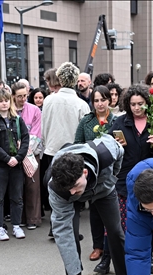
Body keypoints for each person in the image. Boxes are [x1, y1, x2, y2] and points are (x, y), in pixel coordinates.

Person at [47, 136, 130, 275]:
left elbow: (120, 151)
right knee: (71, 239)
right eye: (68, 189)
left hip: (103, 190)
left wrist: (112, 176)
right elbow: (64, 235)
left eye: (75, 186)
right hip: (70, 201)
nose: (72, 192)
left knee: (115, 232)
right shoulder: (58, 188)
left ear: (84, 172)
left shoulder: (106, 152)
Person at [113, 84, 153, 275]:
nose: (136, 108)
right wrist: (117, 145)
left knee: (149, 221)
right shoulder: (121, 123)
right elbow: (109, 146)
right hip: (125, 180)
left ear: (147, 104)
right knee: (128, 224)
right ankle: (132, 264)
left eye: (140, 104)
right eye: (133, 104)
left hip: (150, 181)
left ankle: (151, 258)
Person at [41, 63, 91, 219]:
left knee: (55, 190)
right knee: (73, 190)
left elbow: (43, 126)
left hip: (52, 149)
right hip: (74, 153)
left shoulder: (48, 100)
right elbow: (86, 132)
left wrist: (45, 143)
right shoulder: (81, 104)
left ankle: (55, 224)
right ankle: (71, 225)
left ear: (60, 80)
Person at [74, 86, 115, 267]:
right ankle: (98, 246)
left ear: (109, 100)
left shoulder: (116, 120)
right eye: (96, 100)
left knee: (112, 212)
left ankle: (112, 247)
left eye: (103, 100)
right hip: (91, 170)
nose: (100, 104)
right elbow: (77, 144)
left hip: (112, 170)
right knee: (95, 210)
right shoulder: (86, 121)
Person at [0, 88, 30, 241]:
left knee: (17, 197)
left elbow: (25, 139)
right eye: (0, 101)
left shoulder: (17, 119)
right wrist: (6, 158)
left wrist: (18, 157)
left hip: (16, 164)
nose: (3, 104)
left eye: (6, 100)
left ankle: (16, 226)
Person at [12, 81, 43, 230]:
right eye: (19, 96)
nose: (23, 99)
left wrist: (25, 149)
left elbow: (36, 132)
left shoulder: (35, 110)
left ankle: (33, 218)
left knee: (32, 186)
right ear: (13, 96)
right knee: (17, 187)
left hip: (31, 151)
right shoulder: (10, 110)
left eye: (25, 96)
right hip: (13, 154)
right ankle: (19, 218)